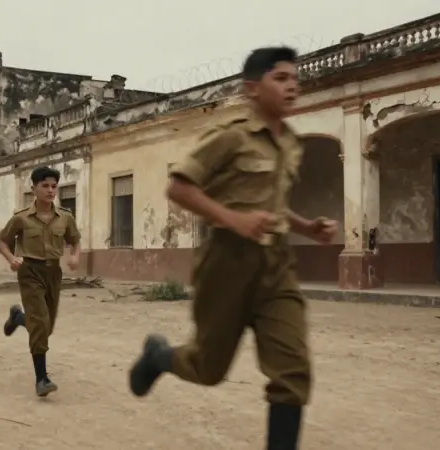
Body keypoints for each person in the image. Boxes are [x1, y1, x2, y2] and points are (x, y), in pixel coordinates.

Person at [127, 47, 338, 450]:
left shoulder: (291, 143)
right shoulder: (230, 135)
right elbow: (179, 188)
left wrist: (308, 227)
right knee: (208, 368)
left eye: (295, 79)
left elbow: (273, 204)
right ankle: (159, 356)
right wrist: (232, 219)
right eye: (281, 78)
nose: (292, 86)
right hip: (226, 262)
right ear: (252, 88)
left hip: (277, 266)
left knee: (293, 372)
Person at [0, 166, 81, 397]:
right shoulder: (21, 218)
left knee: (47, 327)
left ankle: (18, 318)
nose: (50, 190)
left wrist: (75, 256)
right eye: (45, 186)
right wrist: (11, 258)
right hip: (30, 271)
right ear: (33, 188)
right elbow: (2, 241)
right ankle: (41, 379)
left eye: (54, 186)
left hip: (53, 273)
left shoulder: (65, 217)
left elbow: (75, 240)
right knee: (41, 325)